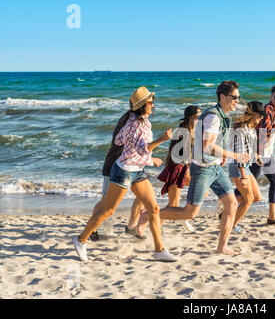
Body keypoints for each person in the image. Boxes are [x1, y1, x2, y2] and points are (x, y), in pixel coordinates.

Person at [72, 86, 178, 262]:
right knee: (108, 210)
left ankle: (159, 250)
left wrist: (135, 148)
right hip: (124, 171)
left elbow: (118, 139)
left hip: (137, 171)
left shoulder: (139, 121)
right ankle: (80, 239)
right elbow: (141, 149)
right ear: (143, 105)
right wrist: (160, 142)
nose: (153, 106)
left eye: (153, 102)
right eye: (150, 103)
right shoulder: (135, 124)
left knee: (154, 208)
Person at [159, 80, 249, 256]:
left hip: (215, 168)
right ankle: (148, 215)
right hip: (202, 169)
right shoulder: (213, 117)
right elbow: (207, 146)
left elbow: (214, 144)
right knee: (190, 213)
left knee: (231, 204)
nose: (237, 101)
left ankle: (221, 247)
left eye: (239, 97)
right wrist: (234, 156)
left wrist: (222, 155)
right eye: (234, 97)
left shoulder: (222, 115)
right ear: (223, 97)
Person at [233, 85, 275, 225]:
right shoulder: (268, 109)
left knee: (255, 182)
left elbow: (268, 130)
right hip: (260, 154)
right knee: (254, 183)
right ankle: (228, 207)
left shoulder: (274, 111)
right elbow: (263, 130)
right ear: (271, 96)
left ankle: (271, 217)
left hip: (264, 153)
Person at [156, 105, 203, 232]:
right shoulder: (183, 131)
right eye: (198, 117)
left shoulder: (193, 130)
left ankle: (183, 215)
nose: (201, 120)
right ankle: (149, 221)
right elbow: (187, 155)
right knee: (173, 204)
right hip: (176, 169)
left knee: (202, 190)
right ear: (191, 118)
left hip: (184, 169)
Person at [226, 101, 264, 233]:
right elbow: (240, 154)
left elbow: (248, 150)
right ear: (254, 114)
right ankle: (232, 225)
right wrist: (243, 175)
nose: (261, 119)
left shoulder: (251, 129)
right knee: (248, 199)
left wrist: (256, 157)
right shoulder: (241, 130)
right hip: (238, 168)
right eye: (260, 116)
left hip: (245, 166)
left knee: (257, 197)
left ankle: (229, 207)